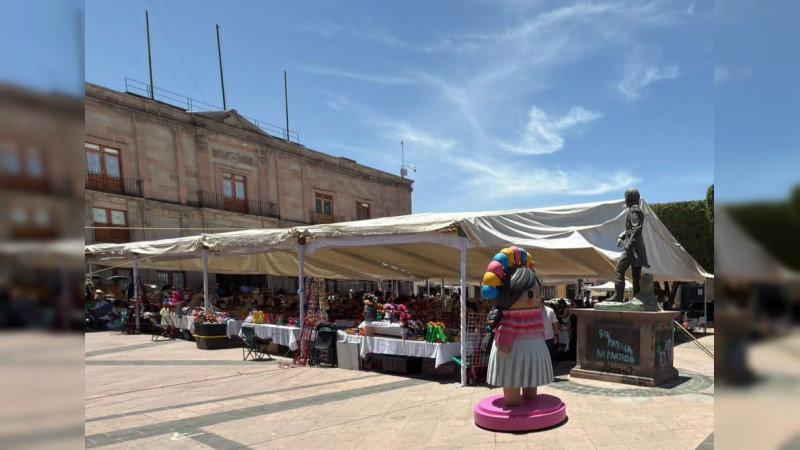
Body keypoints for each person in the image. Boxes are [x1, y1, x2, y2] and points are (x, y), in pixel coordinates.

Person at [482, 246, 554, 407]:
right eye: (531, 295)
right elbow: (506, 332)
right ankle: (512, 400)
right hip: (512, 355)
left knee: (530, 377)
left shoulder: (535, 316)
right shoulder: (510, 318)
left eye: (538, 295)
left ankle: (530, 394)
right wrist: (504, 345)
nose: (536, 298)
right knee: (511, 377)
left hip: (531, 351)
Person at [606, 187, 650, 302]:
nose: (625, 200)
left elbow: (636, 229)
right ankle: (637, 298)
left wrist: (629, 246)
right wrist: (622, 236)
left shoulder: (634, 210)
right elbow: (630, 230)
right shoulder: (634, 210)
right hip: (637, 248)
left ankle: (618, 296)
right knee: (636, 277)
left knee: (619, 270)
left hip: (632, 248)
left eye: (626, 198)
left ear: (630, 198)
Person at [542, 301, 559, 367]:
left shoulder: (550, 311)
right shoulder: (533, 311)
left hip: (548, 337)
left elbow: (555, 324)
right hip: (537, 338)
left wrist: (555, 335)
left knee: (547, 355)